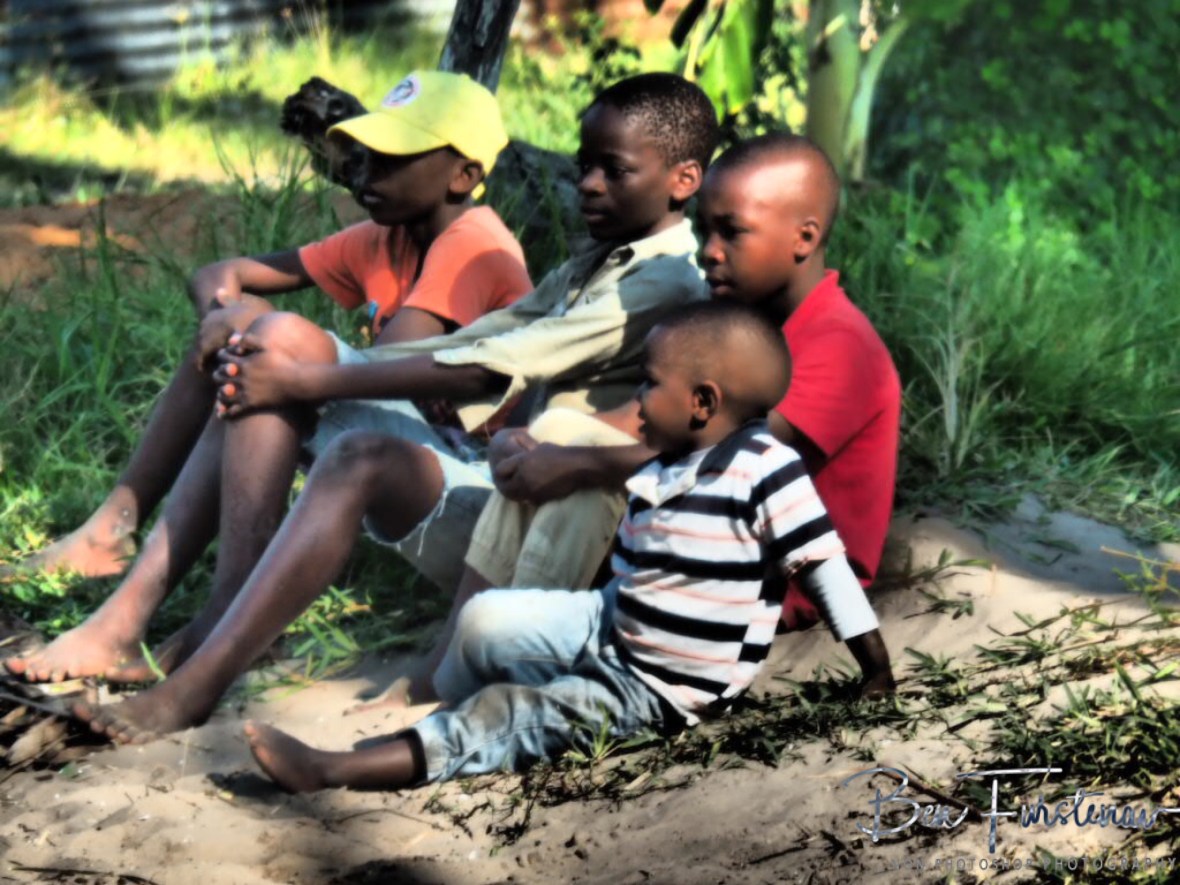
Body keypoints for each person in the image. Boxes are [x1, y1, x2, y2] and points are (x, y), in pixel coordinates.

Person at [69, 72, 719, 741]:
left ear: (683, 178)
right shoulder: (595, 261)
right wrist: (299, 368)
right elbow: (482, 339)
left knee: (329, 420)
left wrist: (306, 380)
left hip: (549, 529)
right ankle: (206, 626)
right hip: (505, 491)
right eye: (585, 167)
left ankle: (199, 670)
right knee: (269, 356)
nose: (587, 183)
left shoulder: (662, 280)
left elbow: (492, 368)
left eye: (614, 170)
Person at [5, 70, 532, 684]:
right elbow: (219, 272)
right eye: (367, 154)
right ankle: (125, 564)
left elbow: (393, 364)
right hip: (407, 460)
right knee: (249, 348)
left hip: (480, 505)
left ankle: (228, 614)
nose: (367, 173)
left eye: (394, 159)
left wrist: (255, 332)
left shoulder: (475, 241)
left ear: (463, 175)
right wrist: (226, 320)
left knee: (271, 341)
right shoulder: (384, 237)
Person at [242, 302, 896, 793]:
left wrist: (875, 667)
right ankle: (442, 705)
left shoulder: (765, 467)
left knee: (509, 715)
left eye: (650, 382)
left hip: (660, 685)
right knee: (485, 617)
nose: (638, 397)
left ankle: (340, 767)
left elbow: (820, 564)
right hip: (611, 622)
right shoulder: (669, 462)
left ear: (702, 402)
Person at [449, 132, 901, 658]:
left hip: (773, 585)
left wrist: (575, 464)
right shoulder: (739, 326)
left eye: (731, 233)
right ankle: (460, 654)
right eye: (704, 229)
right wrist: (527, 441)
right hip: (703, 545)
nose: (708, 252)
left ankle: (509, 653)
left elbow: (721, 462)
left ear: (803, 238)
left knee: (590, 476)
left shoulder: (840, 345)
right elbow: (635, 420)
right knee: (561, 433)